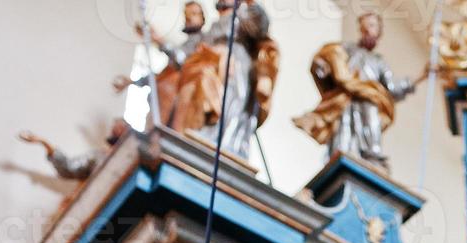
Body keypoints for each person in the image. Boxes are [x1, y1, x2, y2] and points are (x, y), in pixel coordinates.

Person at [294, 12, 428, 170]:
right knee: (342, 132)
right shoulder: (347, 50)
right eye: (365, 27)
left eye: (372, 26)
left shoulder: (378, 61)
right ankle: (338, 156)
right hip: (346, 101)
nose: (368, 31)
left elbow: (392, 88)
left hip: (369, 101)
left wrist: (421, 76)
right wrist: (321, 66)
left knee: (370, 125)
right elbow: (329, 62)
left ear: (379, 32)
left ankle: (372, 159)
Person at [171, 0, 279, 160]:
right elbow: (184, 56)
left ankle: (226, 144)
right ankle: (198, 135)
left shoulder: (242, 18)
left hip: (235, 66)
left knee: (230, 103)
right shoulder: (212, 29)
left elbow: (261, 24)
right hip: (208, 67)